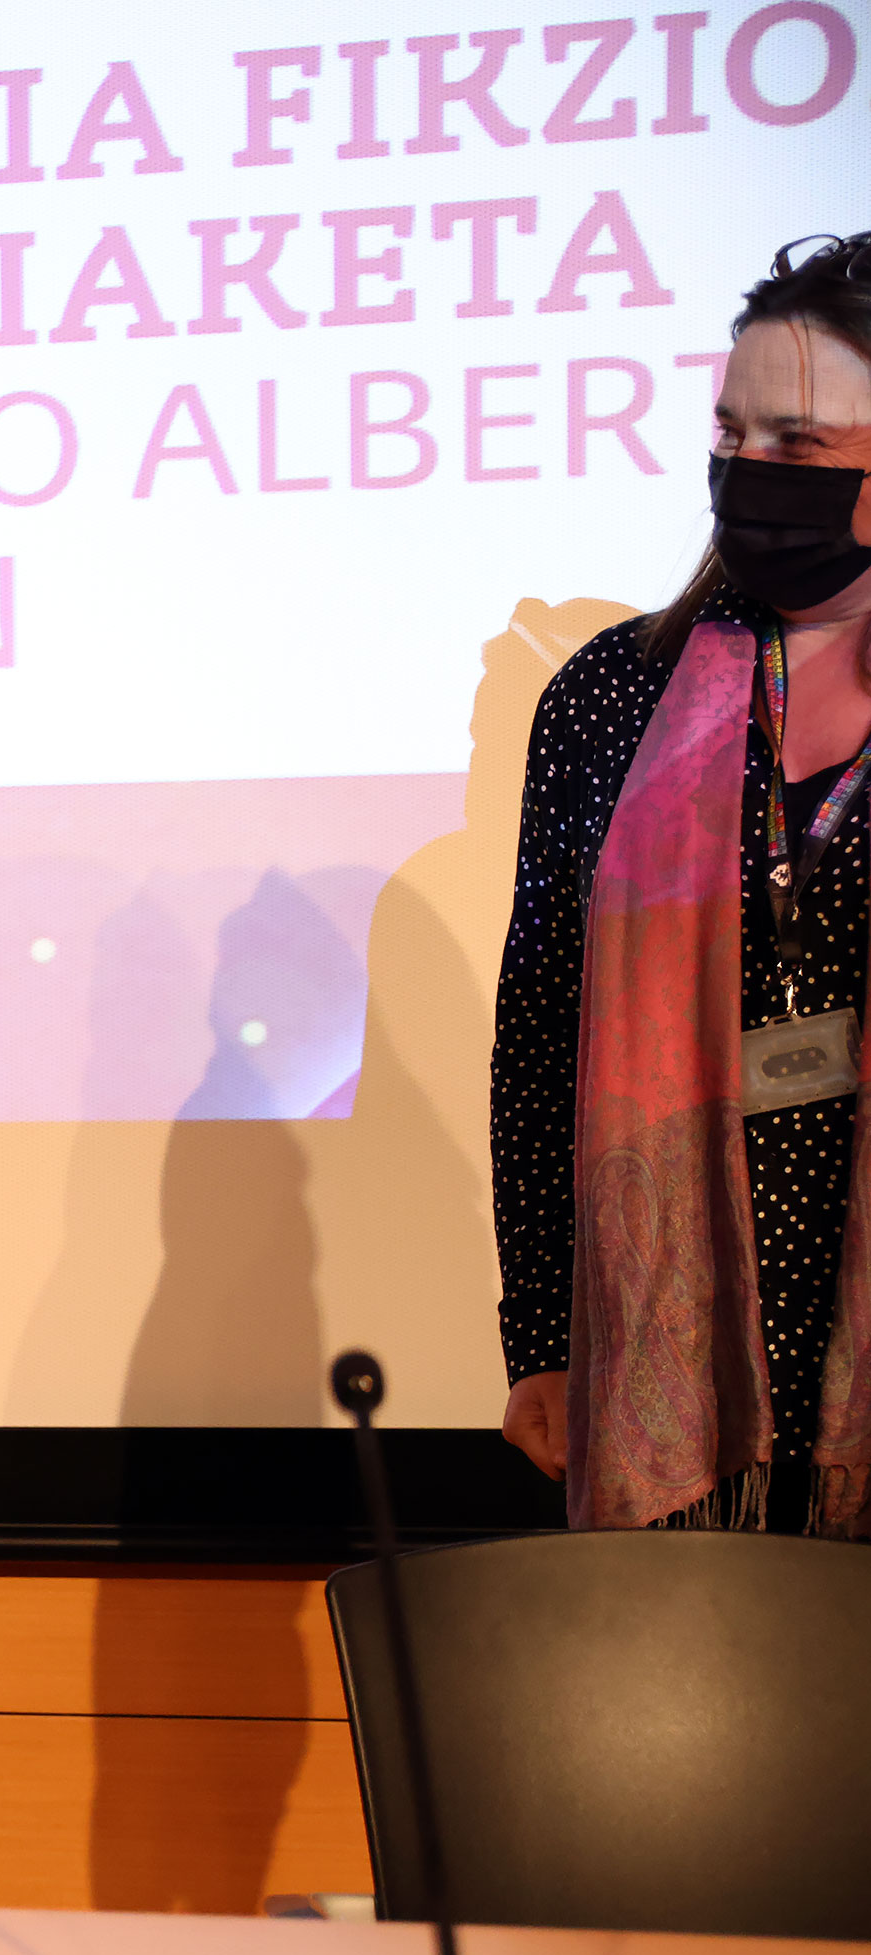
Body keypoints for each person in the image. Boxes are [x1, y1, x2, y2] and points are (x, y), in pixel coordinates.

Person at [493, 232, 871, 1531]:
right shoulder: (609, 695)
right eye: (732, 431)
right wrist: (539, 1329)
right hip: (668, 1342)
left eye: (801, 445)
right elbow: (540, 1031)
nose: (750, 472)